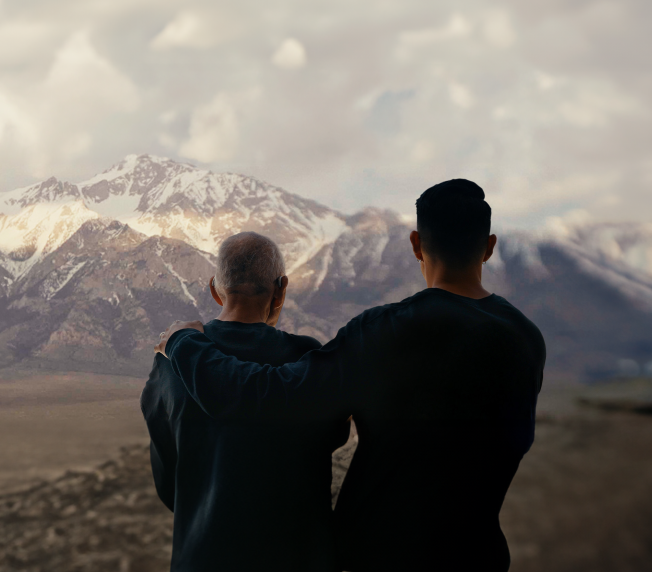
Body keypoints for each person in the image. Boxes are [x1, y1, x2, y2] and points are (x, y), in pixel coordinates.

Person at [154, 180, 546, 572]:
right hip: (479, 556)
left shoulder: (384, 332)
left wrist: (183, 342)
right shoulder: (526, 339)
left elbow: (260, 396)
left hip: (379, 556)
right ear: (489, 247)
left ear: (415, 244)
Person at [141, 232, 351, 572]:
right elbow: (336, 437)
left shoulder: (168, 363)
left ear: (215, 289)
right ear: (281, 288)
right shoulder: (307, 357)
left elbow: (170, 487)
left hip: (203, 558)